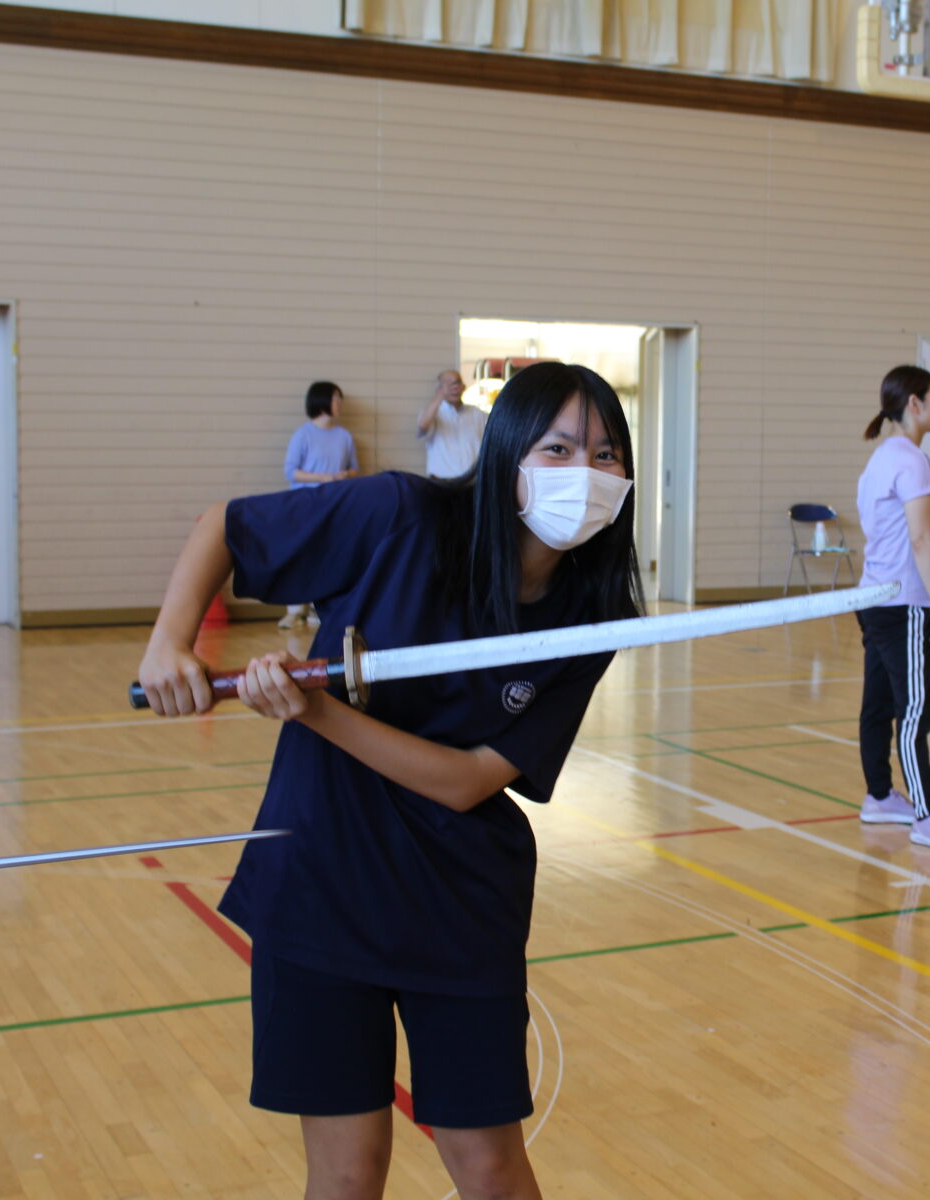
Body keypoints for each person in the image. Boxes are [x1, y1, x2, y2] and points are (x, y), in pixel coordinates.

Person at [136, 362, 643, 1200]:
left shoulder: (594, 620)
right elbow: (224, 526)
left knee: (489, 1168)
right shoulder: (400, 516)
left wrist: (316, 711)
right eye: (558, 448)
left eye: (605, 454)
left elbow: (470, 782)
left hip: (460, 905)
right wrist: (168, 644)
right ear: (508, 453)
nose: (585, 473)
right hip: (321, 880)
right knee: (345, 1175)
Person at [853, 365, 930, 852]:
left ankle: (880, 796)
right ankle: (927, 813)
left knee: (879, 705)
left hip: (874, 599)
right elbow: (922, 539)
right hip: (903, 603)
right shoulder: (911, 462)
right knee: (914, 710)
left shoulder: (881, 459)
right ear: (915, 405)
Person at [280, 380, 359, 629]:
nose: (340, 404)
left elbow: (356, 469)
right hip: (306, 504)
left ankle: (319, 608)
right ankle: (294, 611)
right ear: (322, 401)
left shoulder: (344, 436)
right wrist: (326, 478)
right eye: (336, 398)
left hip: (336, 505)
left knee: (329, 557)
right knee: (302, 555)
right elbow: (292, 472)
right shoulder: (303, 434)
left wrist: (345, 476)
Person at [419, 368, 490, 480]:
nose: (454, 387)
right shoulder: (434, 413)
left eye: (457, 382)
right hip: (441, 482)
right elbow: (423, 426)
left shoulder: (477, 414)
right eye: (448, 384)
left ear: (463, 386)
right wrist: (440, 395)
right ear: (439, 389)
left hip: (473, 481)